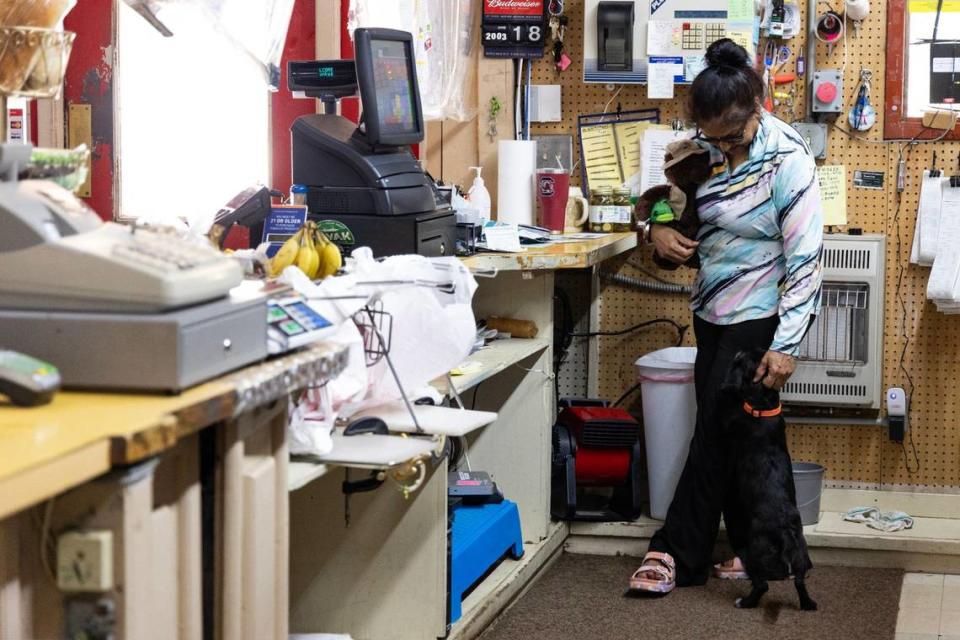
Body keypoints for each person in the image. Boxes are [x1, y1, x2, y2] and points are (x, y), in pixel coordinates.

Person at [628, 38, 824, 594]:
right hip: (710, 307)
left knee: (713, 429)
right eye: (712, 138)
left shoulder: (787, 160)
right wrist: (656, 230)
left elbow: (807, 259)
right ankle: (763, 549)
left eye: (732, 137)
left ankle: (674, 553)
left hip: (759, 314)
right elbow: (654, 202)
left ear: (757, 109)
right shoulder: (697, 150)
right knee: (745, 432)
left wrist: (786, 345)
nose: (723, 149)